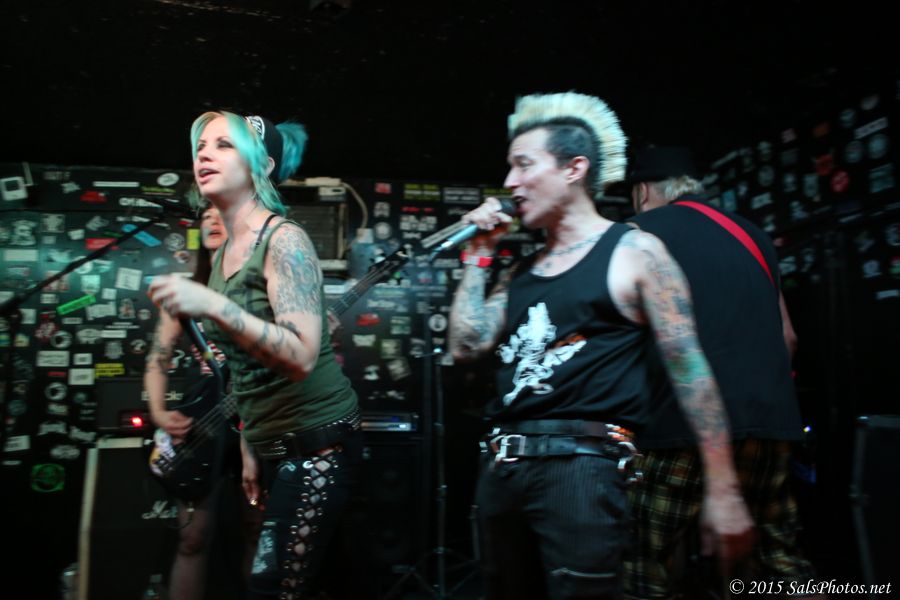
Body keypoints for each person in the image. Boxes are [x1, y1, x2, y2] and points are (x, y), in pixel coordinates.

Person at [447, 92, 753, 600]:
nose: (509, 183)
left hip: (582, 467)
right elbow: (466, 344)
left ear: (574, 169)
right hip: (504, 465)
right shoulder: (522, 272)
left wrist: (724, 490)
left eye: (524, 165)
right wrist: (478, 257)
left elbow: (692, 372)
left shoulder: (635, 252)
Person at [147, 110, 362, 600]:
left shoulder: (283, 241)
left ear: (261, 167)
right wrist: (250, 447)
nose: (204, 154)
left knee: (272, 589)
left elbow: (301, 355)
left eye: (223, 145)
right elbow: (246, 371)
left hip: (319, 444)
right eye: (201, 146)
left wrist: (213, 306)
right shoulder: (224, 257)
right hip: (275, 445)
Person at [622, 146, 823, 599]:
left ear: (642, 191)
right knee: (780, 562)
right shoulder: (754, 235)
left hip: (677, 428)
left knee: (642, 565)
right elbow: (788, 338)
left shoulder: (635, 234)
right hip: (769, 424)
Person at [145, 204, 262, 600]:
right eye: (205, 215)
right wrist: (159, 412)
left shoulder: (260, 286)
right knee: (192, 538)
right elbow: (157, 360)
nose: (211, 219)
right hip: (205, 424)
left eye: (221, 212)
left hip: (255, 420)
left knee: (256, 531)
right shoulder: (183, 293)